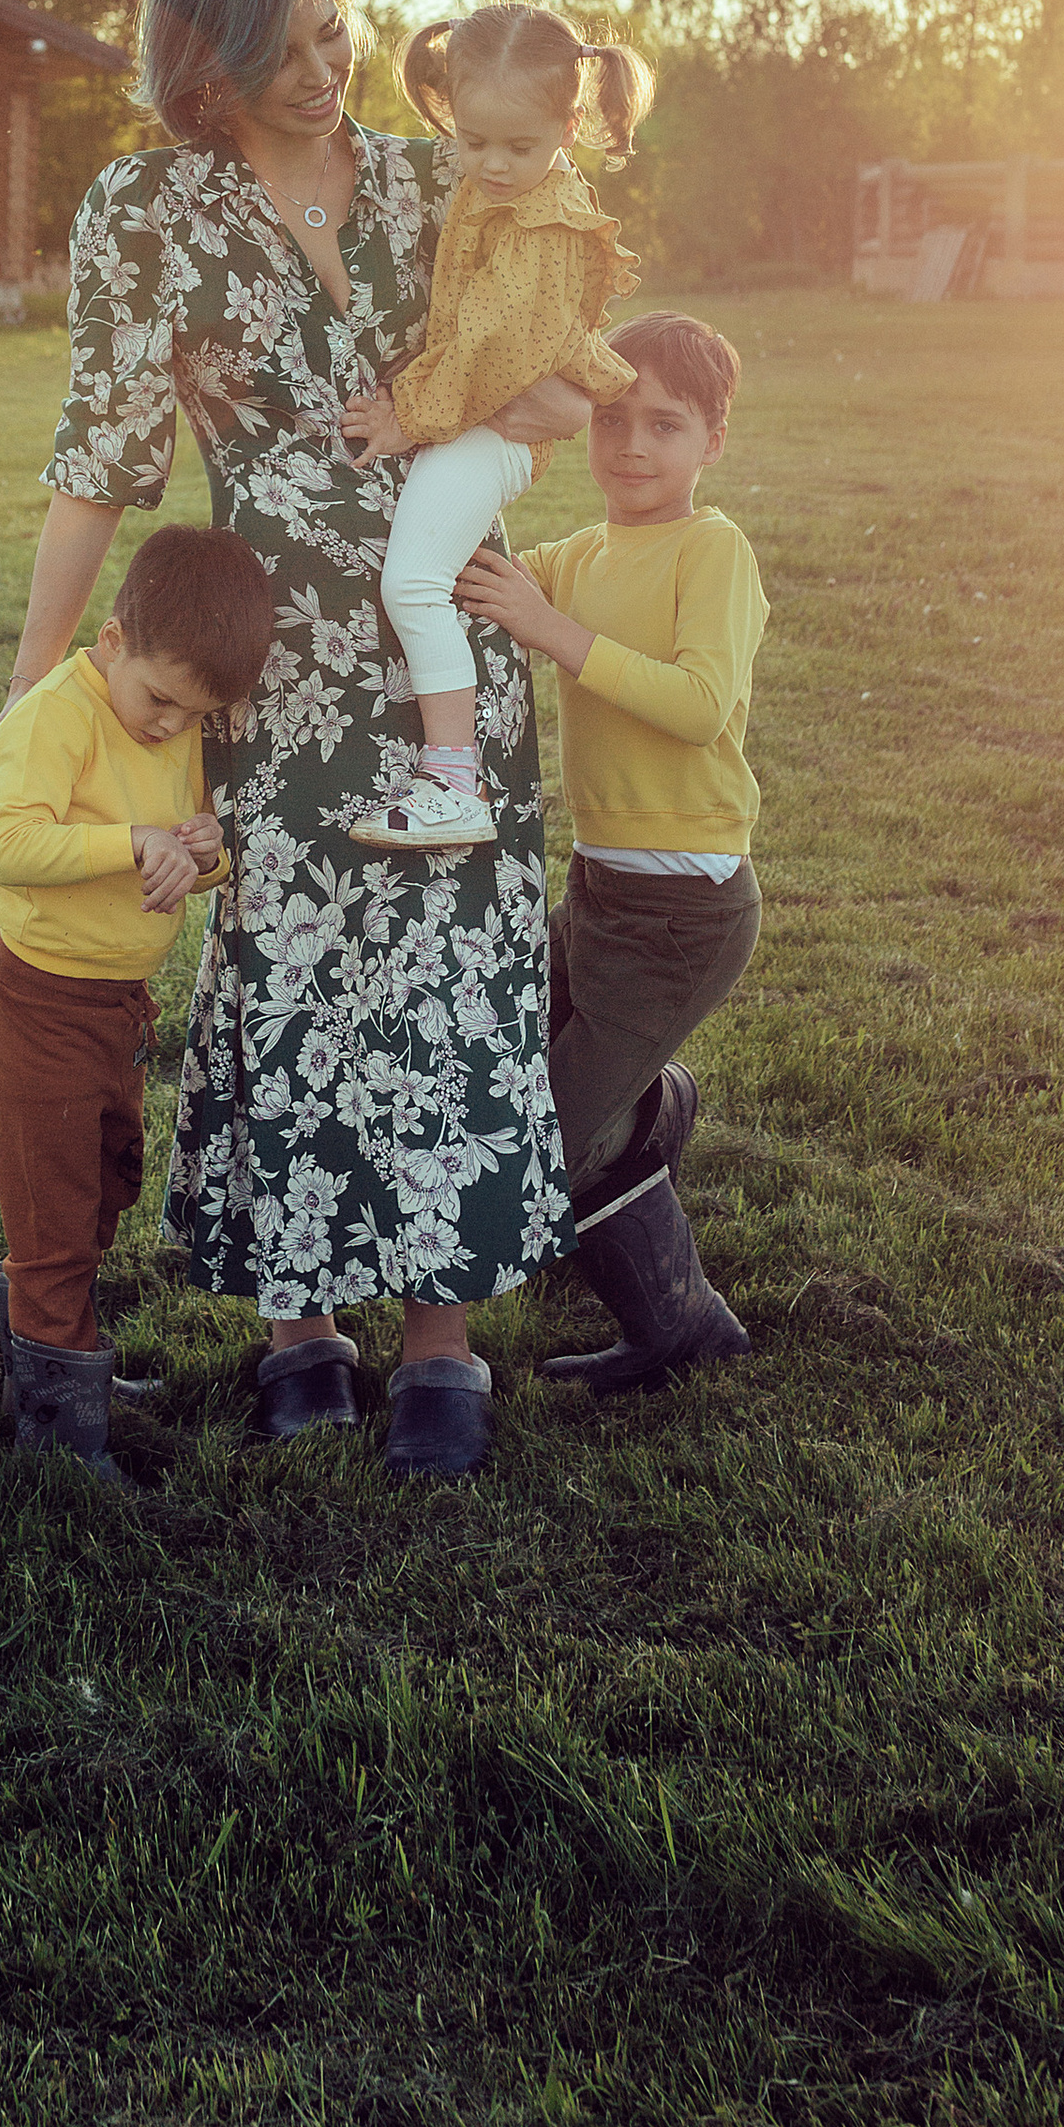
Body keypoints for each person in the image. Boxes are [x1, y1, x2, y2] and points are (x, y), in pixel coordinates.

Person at [9, 0, 585, 1488]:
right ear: (204, 71)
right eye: (279, 57)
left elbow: (553, 335)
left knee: (454, 971)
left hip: (445, 642)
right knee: (294, 975)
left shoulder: (434, 176)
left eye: (333, 36)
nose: (324, 75)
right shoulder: (148, 212)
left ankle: (440, 1350)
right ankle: (297, 1331)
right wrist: (28, 683)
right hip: (274, 666)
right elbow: (99, 464)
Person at [454, 310, 766, 1391]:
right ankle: (653, 1100)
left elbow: (696, 704)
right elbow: (479, 575)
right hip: (600, 893)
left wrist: (555, 634)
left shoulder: (711, 550)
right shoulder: (577, 555)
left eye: (666, 425)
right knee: (510, 1054)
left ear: (712, 442)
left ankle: (680, 1329)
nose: (634, 445)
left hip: (685, 914)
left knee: (549, 1136)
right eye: (614, 420)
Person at [0, 523, 272, 1473]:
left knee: (102, 1186)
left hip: (119, 1007)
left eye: (192, 715)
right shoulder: (58, 712)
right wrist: (132, 840)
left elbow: (200, 842)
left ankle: (48, 1352)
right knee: (53, 1205)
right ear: (111, 641)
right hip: (39, 997)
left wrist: (201, 851)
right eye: (158, 699)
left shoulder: (171, 722)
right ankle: (60, 1431)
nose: (167, 727)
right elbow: (11, 846)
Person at [339, 6, 649, 850]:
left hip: (497, 423)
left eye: (519, 146)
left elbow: (493, 340)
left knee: (412, 584)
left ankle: (452, 781)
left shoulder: (547, 217)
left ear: (569, 125)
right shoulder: (496, 182)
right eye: (474, 141)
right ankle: (449, 775)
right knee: (417, 578)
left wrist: (407, 418)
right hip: (485, 411)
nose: (492, 165)